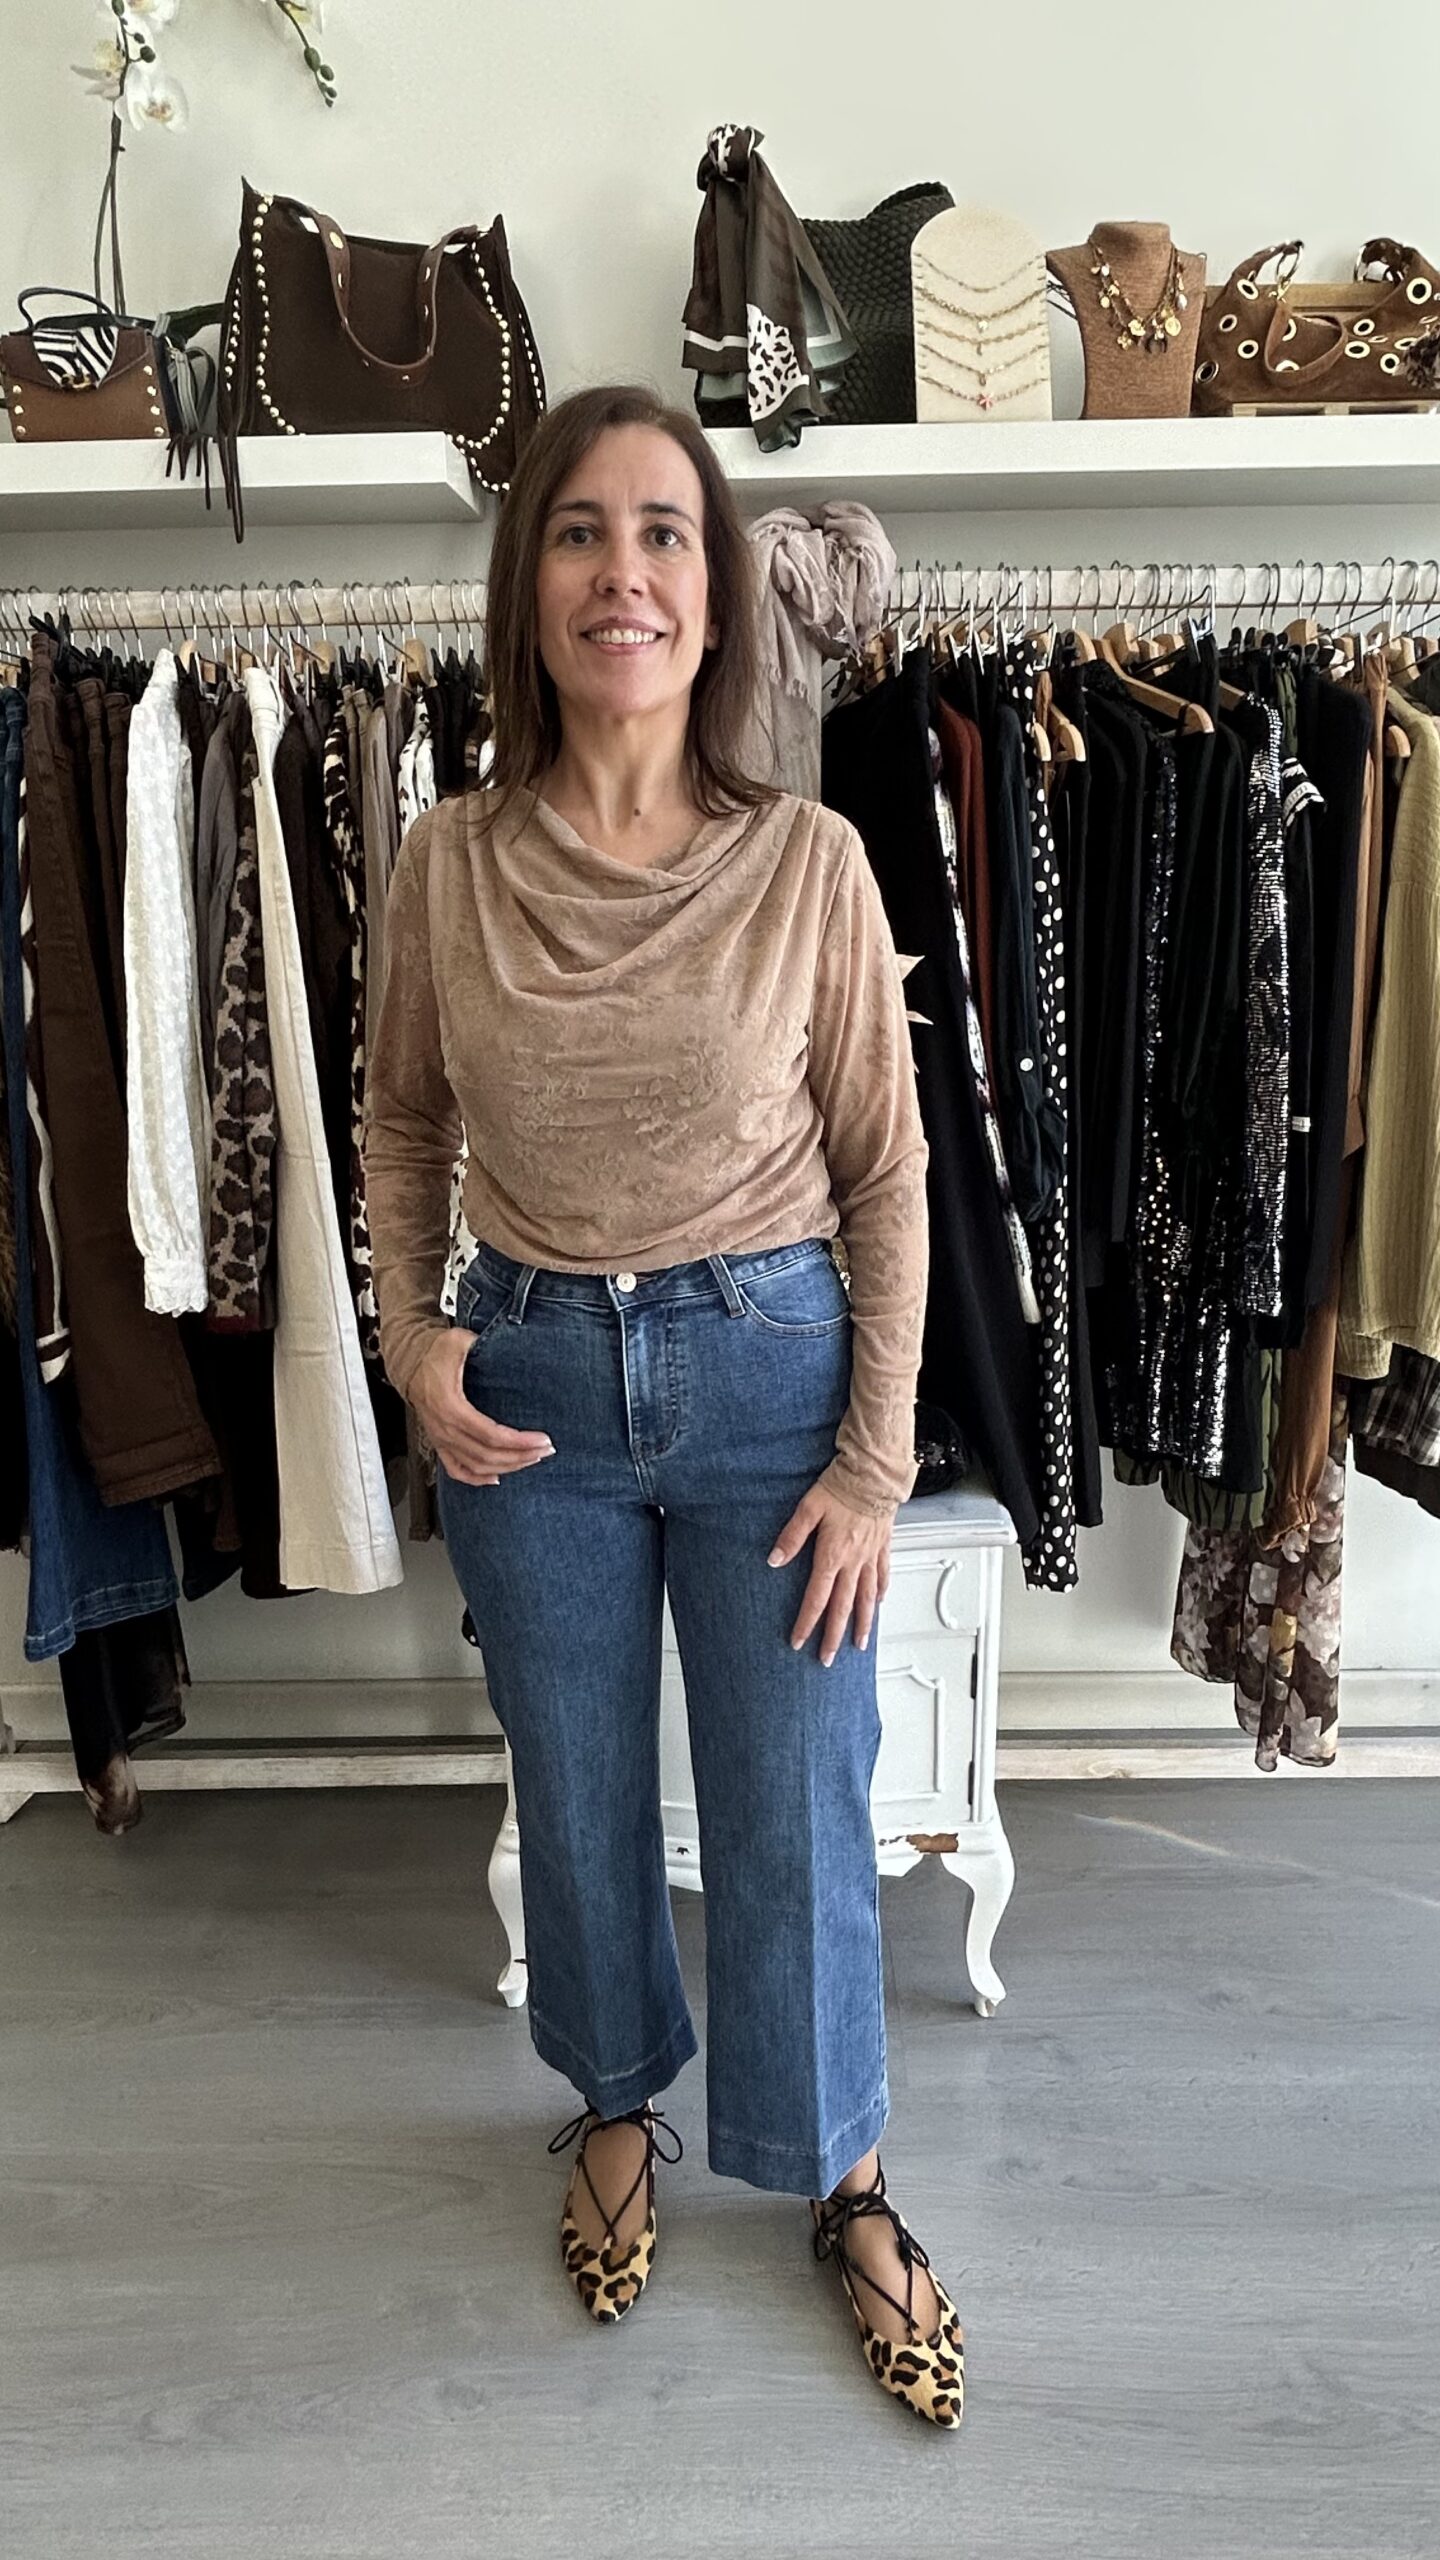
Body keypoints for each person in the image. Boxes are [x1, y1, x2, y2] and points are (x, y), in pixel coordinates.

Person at [363, 384, 963, 2427]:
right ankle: (617, 2096)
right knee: (579, 1783)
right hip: (527, 1386)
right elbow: (402, 1121)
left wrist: (875, 1460)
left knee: (798, 1798)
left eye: (664, 533)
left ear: (715, 600)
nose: (622, 571)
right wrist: (411, 1340)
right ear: (527, 588)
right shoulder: (447, 862)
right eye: (579, 531)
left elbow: (889, 1173)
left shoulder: (809, 858)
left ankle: (841, 2174)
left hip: (769, 1379)